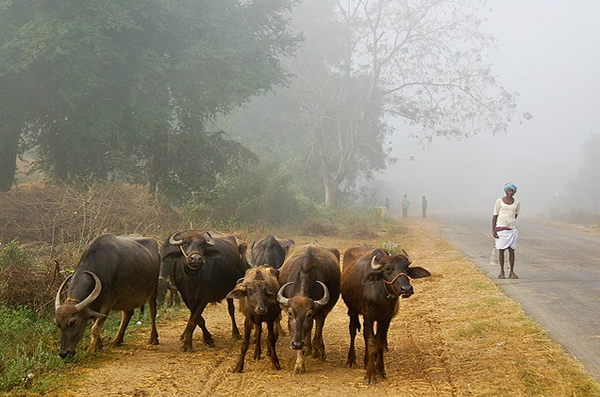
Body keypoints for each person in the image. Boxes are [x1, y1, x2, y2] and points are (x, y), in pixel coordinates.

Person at [492, 182, 521, 279]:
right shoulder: (499, 201)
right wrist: (494, 230)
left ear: (514, 192)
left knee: (511, 250)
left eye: (512, 191)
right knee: (501, 250)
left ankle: (512, 271)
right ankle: (501, 271)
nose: (511, 192)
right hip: (501, 228)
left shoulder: (517, 203)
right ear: (506, 191)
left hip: (511, 229)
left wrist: (510, 222)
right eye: (509, 190)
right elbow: (495, 216)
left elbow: (515, 215)